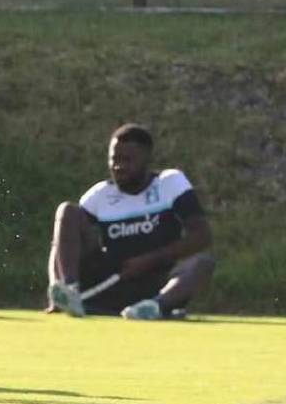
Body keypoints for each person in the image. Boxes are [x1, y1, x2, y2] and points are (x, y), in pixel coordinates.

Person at [47, 123, 215, 319]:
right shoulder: (100, 194)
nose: (118, 166)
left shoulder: (169, 183)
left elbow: (202, 236)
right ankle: (70, 291)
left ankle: (154, 307)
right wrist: (56, 286)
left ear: (146, 158)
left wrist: (147, 261)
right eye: (114, 159)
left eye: (127, 160)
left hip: (157, 282)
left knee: (203, 263)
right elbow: (60, 245)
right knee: (67, 210)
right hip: (110, 282)